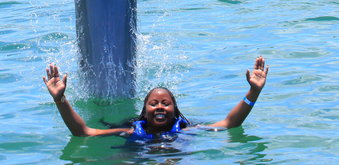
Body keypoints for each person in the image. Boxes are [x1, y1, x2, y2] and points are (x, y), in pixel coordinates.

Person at [43, 56, 269, 138]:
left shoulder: (185, 131)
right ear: (145, 112)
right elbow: (84, 132)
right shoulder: (131, 132)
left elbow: (230, 123)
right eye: (153, 103)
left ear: (174, 110)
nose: (160, 107)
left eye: (165, 103)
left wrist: (254, 92)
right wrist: (60, 100)